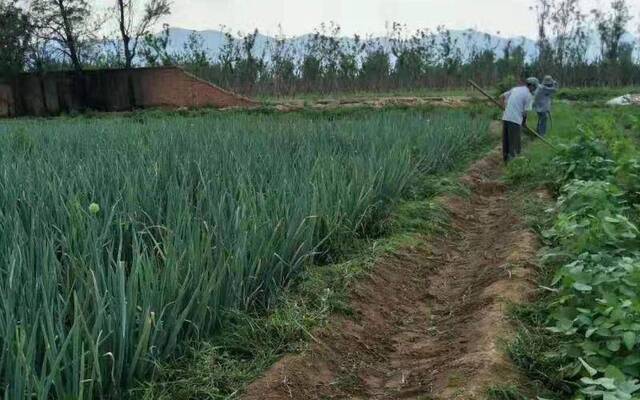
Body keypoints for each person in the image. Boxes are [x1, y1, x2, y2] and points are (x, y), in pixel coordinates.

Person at [500, 77, 539, 163]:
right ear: (532, 86)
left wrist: (504, 108)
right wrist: (524, 123)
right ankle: (513, 163)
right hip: (515, 120)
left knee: (506, 141)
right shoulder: (529, 95)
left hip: (506, 118)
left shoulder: (516, 89)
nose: (535, 89)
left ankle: (506, 161)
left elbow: (502, 96)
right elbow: (525, 113)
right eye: (535, 87)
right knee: (515, 143)